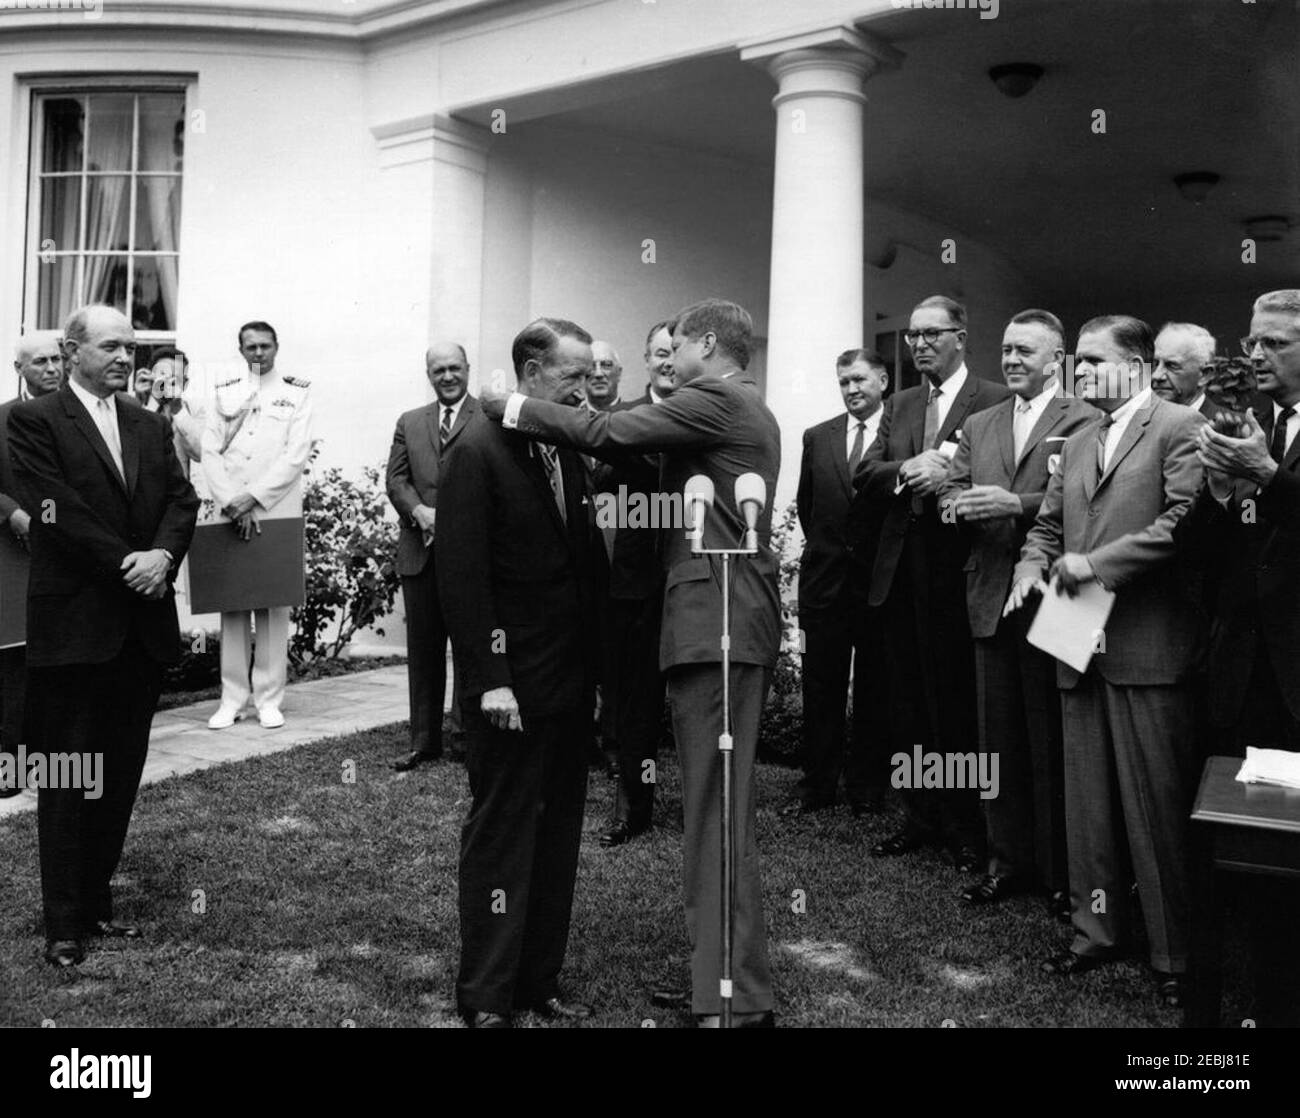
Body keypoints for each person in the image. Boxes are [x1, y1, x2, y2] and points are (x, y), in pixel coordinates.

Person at [483, 298, 781, 1028]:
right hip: (719, 618)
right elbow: (627, 446)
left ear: (708, 344)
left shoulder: (715, 399)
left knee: (714, 813)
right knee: (716, 811)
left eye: (674, 346)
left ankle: (732, 998)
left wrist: (512, 404)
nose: (664, 360)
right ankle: (724, 979)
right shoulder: (731, 407)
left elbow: (610, 428)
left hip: (717, 620)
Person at [1007, 314, 1203, 1008]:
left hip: (1146, 641)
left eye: (1093, 362)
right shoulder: (1080, 437)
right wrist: (1032, 566)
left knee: (1154, 806)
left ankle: (1173, 953)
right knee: (1085, 801)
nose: (1079, 374)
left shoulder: (1179, 427)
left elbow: (1181, 523)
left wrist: (1095, 564)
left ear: (1141, 363)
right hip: (1071, 630)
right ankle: (1095, 933)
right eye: (1077, 363)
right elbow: (1047, 526)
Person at [7, 305, 198, 966]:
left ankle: (94, 903)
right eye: (112, 346)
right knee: (67, 776)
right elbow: (56, 509)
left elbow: (182, 500)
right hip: (75, 629)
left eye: (132, 347)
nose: (126, 358)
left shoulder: (151, 424)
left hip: (139, 632)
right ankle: (62, 922)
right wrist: (132, 564)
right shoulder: (33, 421)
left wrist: (164, 558)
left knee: (118, 776)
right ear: (72, 349)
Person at [437, 318, 602, 1028]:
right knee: (504, 835)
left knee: (559, 832)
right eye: (574, 377)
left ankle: (538, 981)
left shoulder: (562, 445)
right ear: (532, 373)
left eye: (592, 376)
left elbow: (580, 562)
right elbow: (463, 578)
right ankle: (486, 995)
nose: (587, 390)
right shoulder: (477, 447)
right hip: (510, 687)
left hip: (566, 683)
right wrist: (491, 678)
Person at [938, 310, 1095, 913]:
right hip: (989, 594)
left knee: (1055, 740)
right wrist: (961, 508)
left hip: (1060, 597)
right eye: (1005, 350)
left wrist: (1016, 503)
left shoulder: (1083, 417)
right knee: (997, 740)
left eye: (1025, 351)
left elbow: (1079, 501)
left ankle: (1062, 875)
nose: (1011, 360)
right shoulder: (979, 423)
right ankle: (1006, 864)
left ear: (1057, 358)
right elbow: (950, 495)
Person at [852, 295, 1011, 871]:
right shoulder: (899, 403)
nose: (917, 344)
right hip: (900, 574)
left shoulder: (993, 398)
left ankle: (969, 827)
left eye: (930, 334)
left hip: (961, 570)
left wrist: (952, 472)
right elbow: (866, 472)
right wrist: (906, 471)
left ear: (960, 336)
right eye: (913, 335)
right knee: (909, 701)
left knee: (958, 703)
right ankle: (920, 817)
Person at [784, 348, 892, 817]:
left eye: (860, 380)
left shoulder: (899, 434)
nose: (851, 389)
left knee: (875, 689)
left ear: (883, 381)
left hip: (876, 589)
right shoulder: (817, 436)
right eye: (844, 382)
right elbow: (808, 507)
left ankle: (866, 788)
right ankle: (818, 785)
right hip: (824, 587)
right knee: (820, 686)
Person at [201, 321, 314, 731]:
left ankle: (269, 698)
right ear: (240, 349)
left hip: (274, 508)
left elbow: (296, 453)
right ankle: (231, 698)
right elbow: (209, 449)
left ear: (277, 346)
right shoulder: (223, 390)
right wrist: (232, 501)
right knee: (233, 606)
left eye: (265, 346)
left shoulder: (295, 392)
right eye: (251, 346)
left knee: (272, 607)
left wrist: (254, 498)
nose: (259, 353)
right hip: (229, 508)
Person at [594, 326, 671, 847]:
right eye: (661, 352)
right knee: (636, 702)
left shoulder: (711, 411)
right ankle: (632, 808)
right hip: (639, 581)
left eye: (676, 351)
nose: (668, 361)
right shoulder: (625, 419)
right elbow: (600, 483)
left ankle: (715, 809)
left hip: (699, 579)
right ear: (647, 359)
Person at [385, 342, 479, 771]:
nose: (447, 376)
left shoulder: (487, 419)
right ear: (429, 374)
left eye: (454, 368)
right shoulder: (409, 421)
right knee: (423, 649)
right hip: (418, 553)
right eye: (438, 369)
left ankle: (466, 737)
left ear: (467, 369)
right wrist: (419, 511)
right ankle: (424, 740)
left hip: (470, 556)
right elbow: (396, 478)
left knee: (469, 646)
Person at [0, 333, 65, 797]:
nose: (51, 368)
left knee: (60, 661)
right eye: (39, 361)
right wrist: (13, 514)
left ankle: (54, 764)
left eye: (58, 359)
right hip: (12, 553)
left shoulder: (77, 416)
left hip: (70, 555)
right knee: (16, 662)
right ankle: (11, 766)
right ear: (19, 368)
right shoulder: (2, 418)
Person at [1151, 322, 1217, 418]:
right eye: (1155, 364)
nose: (1156, 375)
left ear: (1204, 375)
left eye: (1172, 366)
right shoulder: (1134, 425)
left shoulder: (1233, 430)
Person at [586, 340, 624, 411]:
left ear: (619, 373)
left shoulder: (634, 418)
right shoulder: (570, 419)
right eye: (591, 366)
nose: (598, 374)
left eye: (606, 365)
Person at [643, 321, 675, 402]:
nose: (670, 363)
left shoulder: (708, 413)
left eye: (678, 355)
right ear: (647, 360)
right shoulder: (619, 413)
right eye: (662, 355)